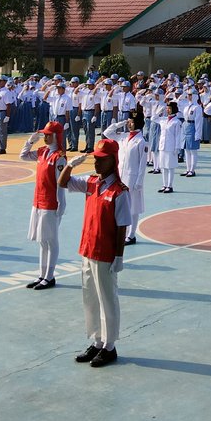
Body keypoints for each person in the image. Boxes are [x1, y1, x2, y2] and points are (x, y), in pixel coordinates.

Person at [60, 138, 131, 369]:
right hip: (88, 248)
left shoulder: (119, 192)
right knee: (90, 297)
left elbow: (122, 226)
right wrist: (71, 165)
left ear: (113, 161)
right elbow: (63, 183)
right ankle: (97, 341)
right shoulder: (92, 182)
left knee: (107, 299)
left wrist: (119, 256)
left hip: (105, 253)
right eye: (95, 159)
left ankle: (110, 346)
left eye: (101, 160)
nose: (97, 163)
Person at [20, 120, 68, 285]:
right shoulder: (42, 152)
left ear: (56, 136)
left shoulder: (59, 157)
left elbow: (60, 183)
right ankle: (42, 275)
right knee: (42, 240)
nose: (45, 137)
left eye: (48, 135)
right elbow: (23, 156)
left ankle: (50, 276)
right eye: (44, 135)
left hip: (51, 203)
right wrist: (31, 141)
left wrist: (61, 204)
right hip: (38, 201)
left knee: (51, 240)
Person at [103, 110, 148, 244]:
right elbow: (107, 133)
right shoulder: (123, 136)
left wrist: (139, 182)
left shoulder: (141, 141)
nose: (129, 124)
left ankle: (131, 235)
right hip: (120, 177)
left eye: (132, 122)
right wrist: (121, 123)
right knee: (121, 206)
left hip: (132, 179)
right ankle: (122, 232)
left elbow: (142, 164)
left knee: (133, 208)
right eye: (128, 122)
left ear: (138, 123)